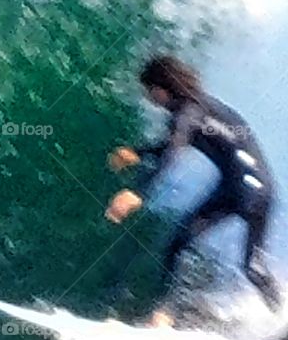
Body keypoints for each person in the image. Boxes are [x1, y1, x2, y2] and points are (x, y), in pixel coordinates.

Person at [106, 54, 281, 320]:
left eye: (149, 91)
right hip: (255, 190)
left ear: (160, 89)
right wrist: (138, 152)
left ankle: (165, 315)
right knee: (247, 265)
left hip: (246, 192)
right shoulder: (202, 108)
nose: (149, 98)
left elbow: (174, 149)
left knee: (191, 246)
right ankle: (166, 313)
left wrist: (138, 193)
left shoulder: (187, 113)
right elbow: (177, 142)